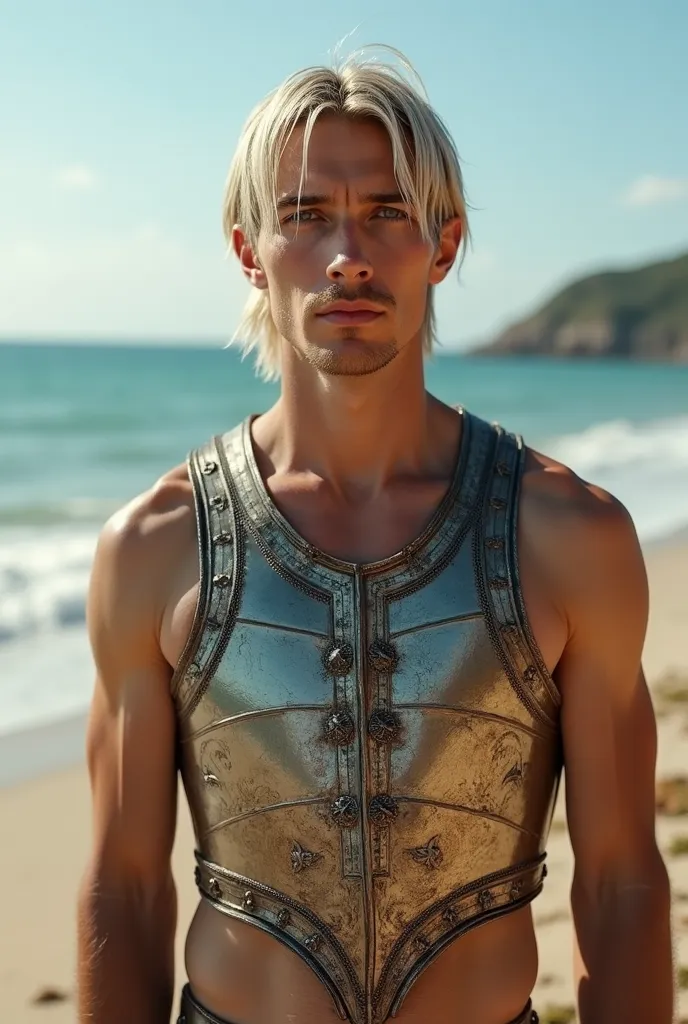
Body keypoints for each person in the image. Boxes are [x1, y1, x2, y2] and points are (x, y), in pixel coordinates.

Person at [77, 48, 674, 1024]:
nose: (346, 254)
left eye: (385, 213)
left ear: (443, 244)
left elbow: (621, 884)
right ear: (248, 250)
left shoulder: (569, 536)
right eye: (306, 216)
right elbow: (124, 890)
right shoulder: (153, 546)